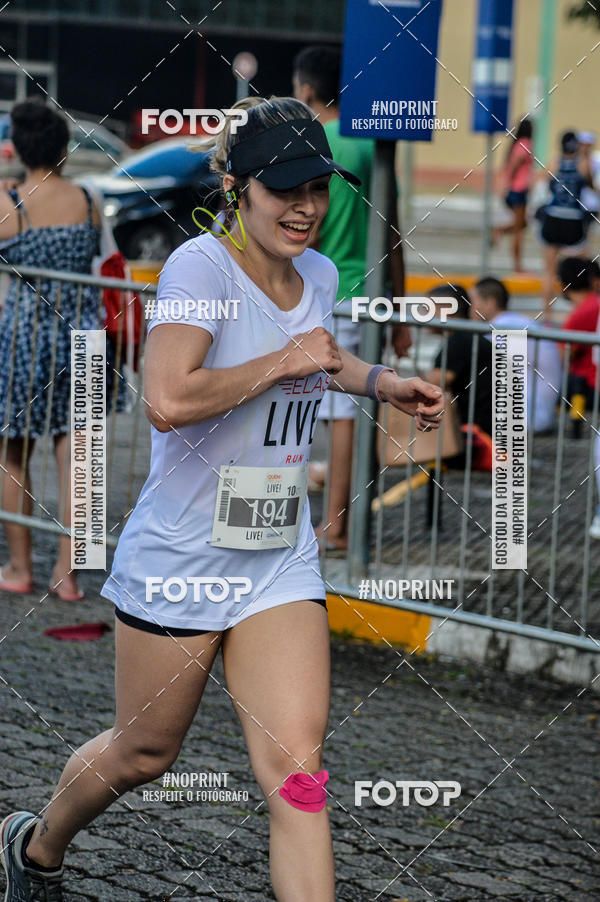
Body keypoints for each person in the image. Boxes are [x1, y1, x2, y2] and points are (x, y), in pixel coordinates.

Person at [0, 96, 445, 902]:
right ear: (239, 187)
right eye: (286, 189)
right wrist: (280, 362)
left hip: (277, 555)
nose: (306, 207)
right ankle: (36, 845)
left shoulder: (312, 271)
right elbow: (168, 397)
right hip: (184, 558)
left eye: (319, 187)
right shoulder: (199, 268)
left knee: (299, 773)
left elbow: (320, 356)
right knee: (144, 755)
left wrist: (381, 382)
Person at [0, 100, 125, 602]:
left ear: (18, 149)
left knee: (13, 453)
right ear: (64, 149)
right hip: (86, 337)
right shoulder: (89, 200)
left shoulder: (12, 204)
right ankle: (67, 575)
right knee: (81, 458)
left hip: (25, 338)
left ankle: (20, 566)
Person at [293, 45, 411, 550]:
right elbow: (394, 232)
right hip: (370, 291)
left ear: (305, 90)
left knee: (332, 415)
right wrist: (400, 308)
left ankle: (336, 526)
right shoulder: (370, 142)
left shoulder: (314, 140)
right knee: (350, 412)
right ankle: (341, 522)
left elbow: (306, 228)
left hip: (328, 290)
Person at [469, 276, 562, 434]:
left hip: (527, 414)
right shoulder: (515, 322)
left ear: (489, 302)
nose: (469, 308)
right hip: (532, 410)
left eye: (472, 302)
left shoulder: (505, 327)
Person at [424, 284, 493, 438]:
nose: (423, 315)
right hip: (483, 429)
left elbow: (432, 385)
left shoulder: (459, 340)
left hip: (477, 435)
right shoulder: (466, 336)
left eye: (428, 308)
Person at [539, 131, 592, 316]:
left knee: (549, 271)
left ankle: (547, 314)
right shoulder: (583, 163)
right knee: (583, 270)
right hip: (573, 220)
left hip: (553, 218)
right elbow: (589, 183)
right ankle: (583, 313)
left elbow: (547, 185)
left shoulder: (554, 162)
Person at [557, 257, 600, 412]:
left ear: (563, 285)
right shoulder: (595, 303)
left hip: (588, 386)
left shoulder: (581, 314)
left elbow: (564, 357)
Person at [493, 118, 534, 272]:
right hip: (518, 190)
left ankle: (499, 230)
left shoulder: (517, 144)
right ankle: (517, 266)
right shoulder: (525, 144)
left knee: (523, 224)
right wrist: (507, 184)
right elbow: (515, 166)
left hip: (516, 190)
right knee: (519, 230)